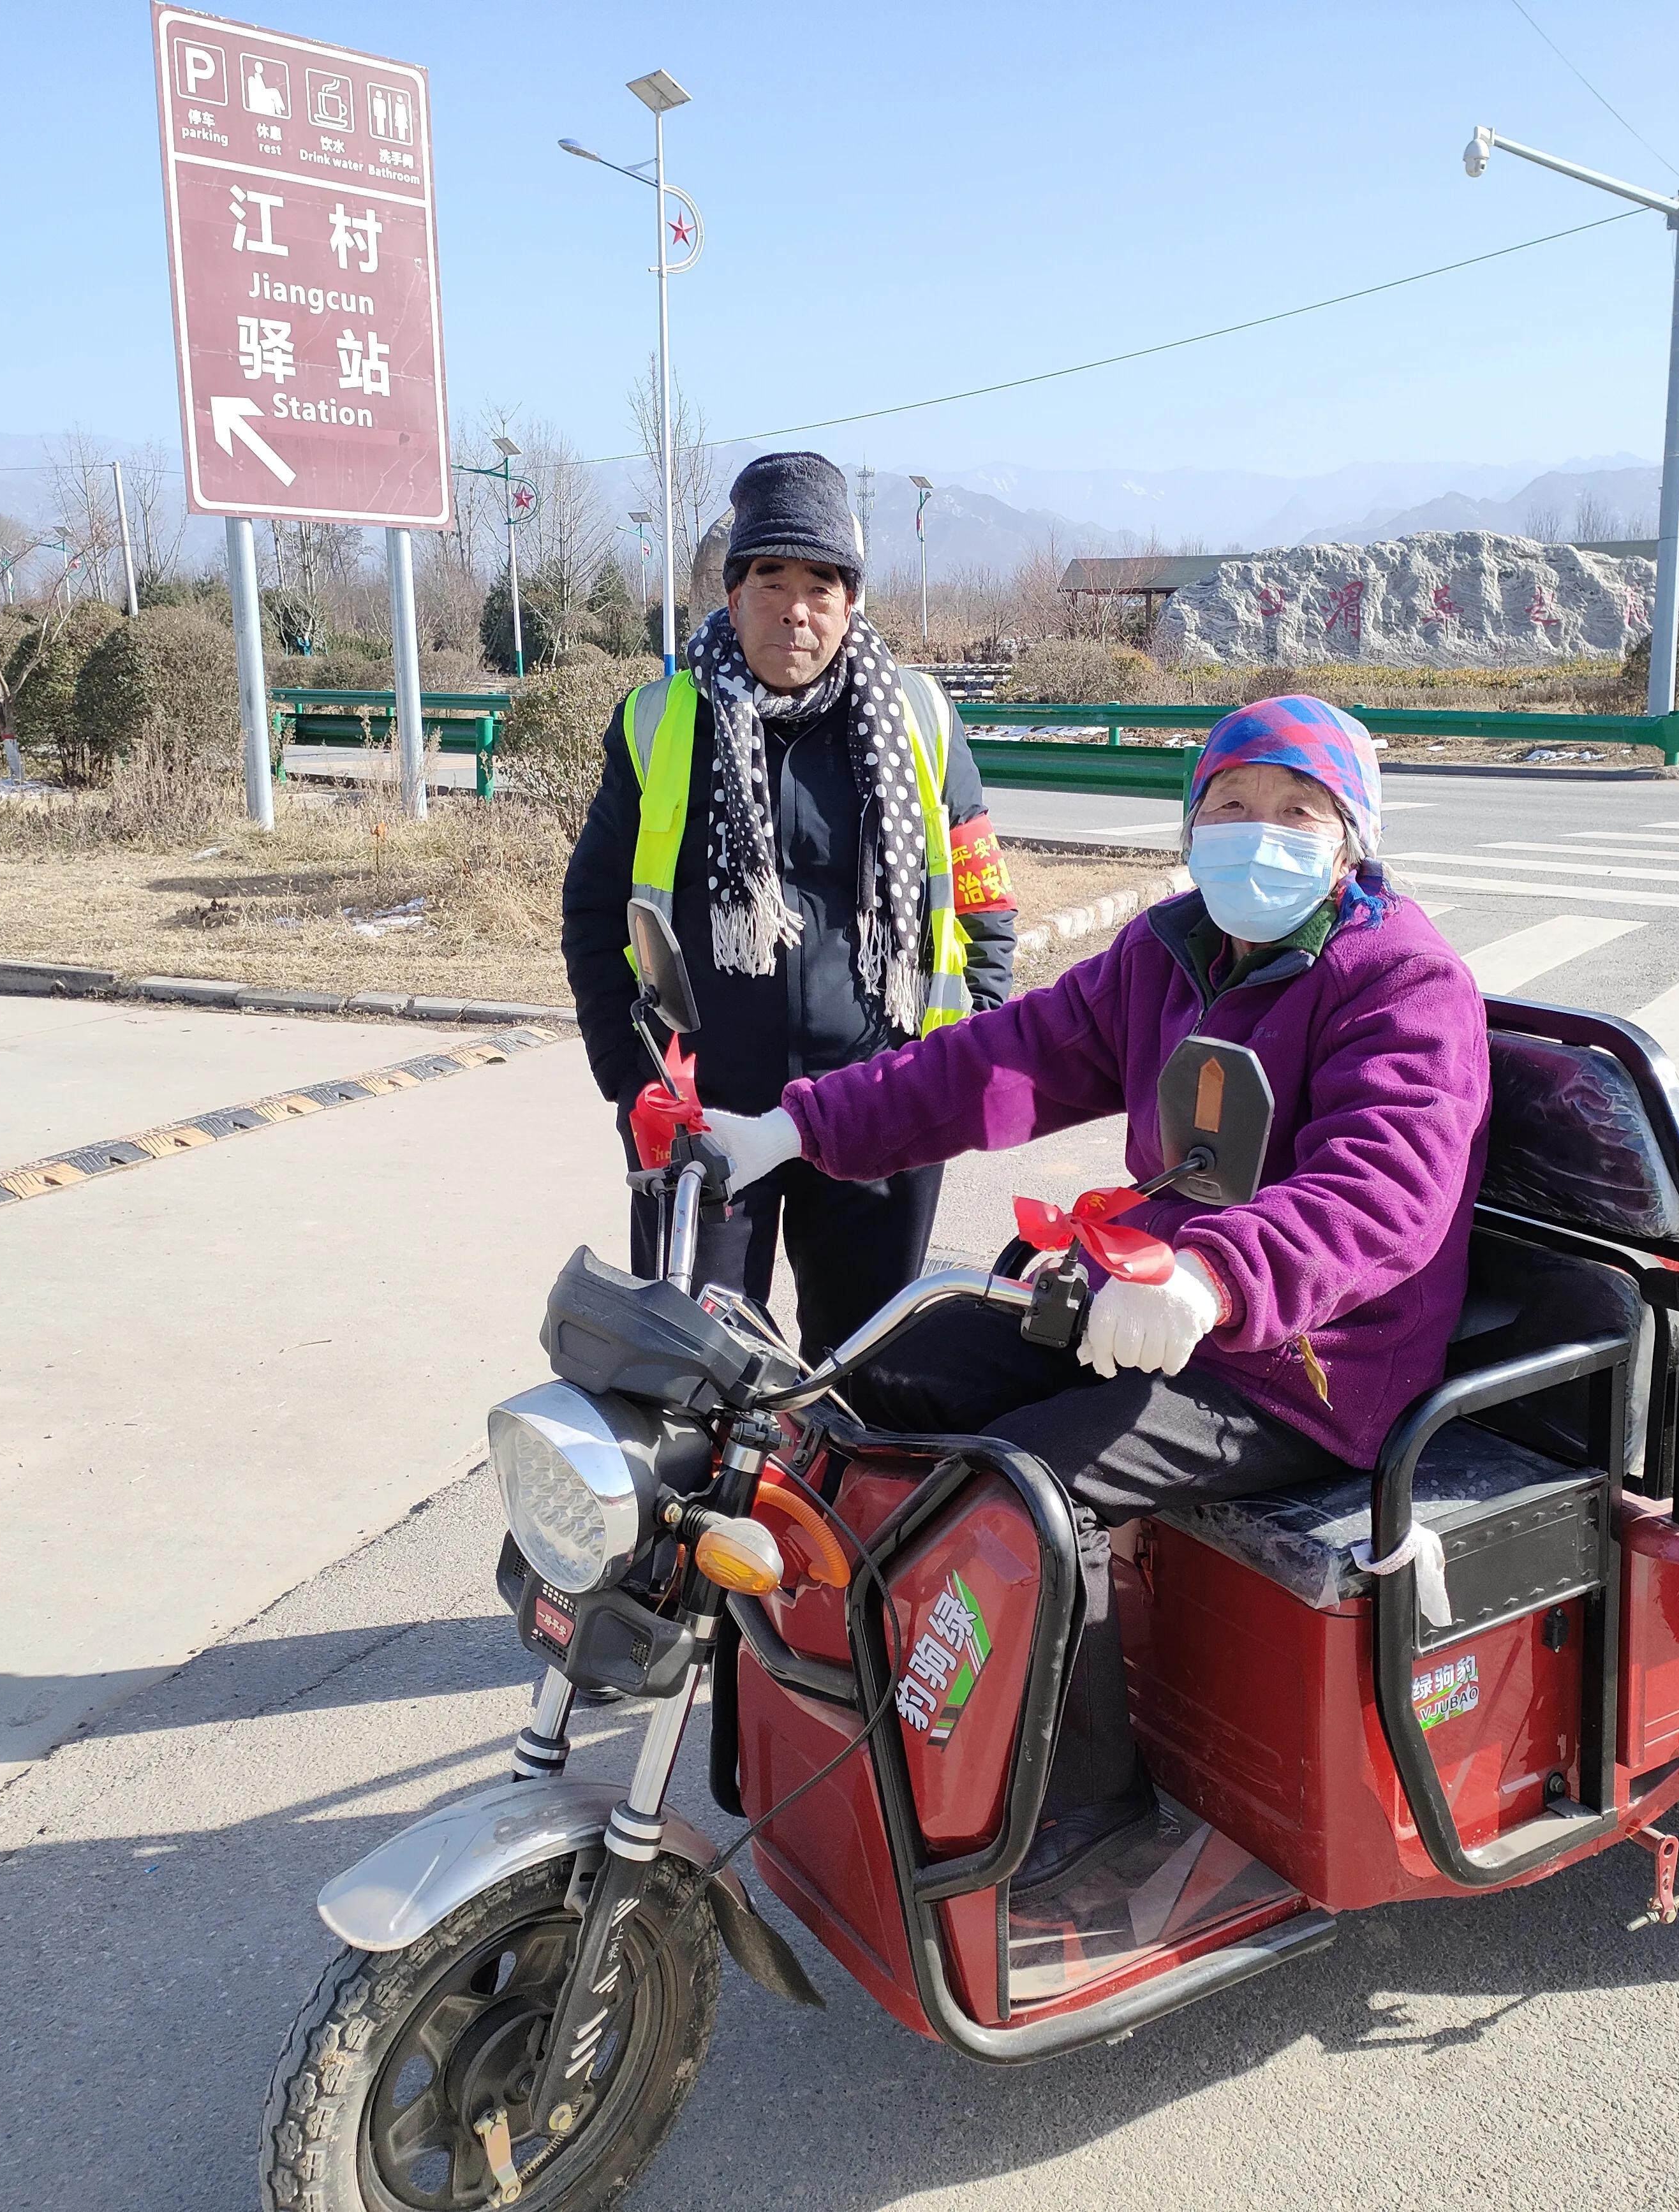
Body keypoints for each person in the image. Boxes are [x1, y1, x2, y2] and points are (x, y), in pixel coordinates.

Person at [697, 696, 1490, 1897]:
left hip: (1311, 1358)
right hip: (1147, 1301)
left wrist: (1222, 1274)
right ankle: (883, 1673)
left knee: (1024, 1490)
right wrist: (796, 1128)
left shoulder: (1403, 982)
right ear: (1191, 823)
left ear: (1351, 841)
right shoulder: (1167, 952)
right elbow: (994, 1061)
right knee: (871, 1383)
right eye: (1230, 806)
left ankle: (1078, 1813)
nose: (1257, 833)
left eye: (1297, 811)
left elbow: (1385, 1189)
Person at [561, 451, 1017, 1359]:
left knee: (866, 1365)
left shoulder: (919, 720)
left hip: (880, 1103)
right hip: (705, 1108)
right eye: (770, 577)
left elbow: (980, 900)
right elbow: (593, 907)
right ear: (732, 596)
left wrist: (968, 1051)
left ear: (852, 603)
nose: (794, 608)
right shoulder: (662, 722)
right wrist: (629, 1071)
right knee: (693, 1365)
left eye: (821, 583)